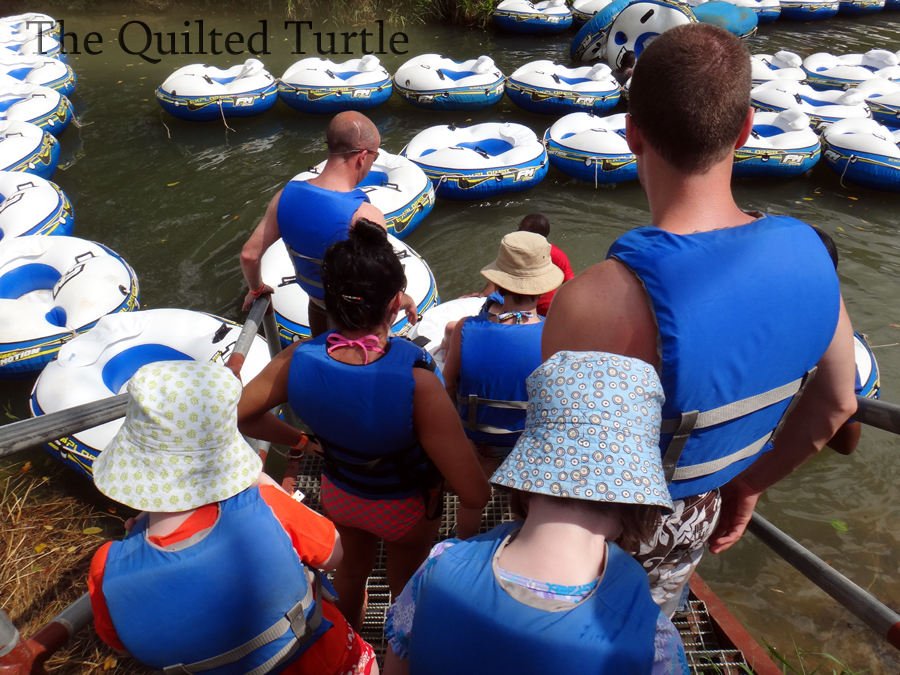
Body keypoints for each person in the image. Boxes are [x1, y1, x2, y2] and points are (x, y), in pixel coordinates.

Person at [541, 23, 857, 616]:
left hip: (599, 540)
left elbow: (567, 486)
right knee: (651, 623)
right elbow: (838, 404)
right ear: (745, 129)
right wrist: (747, 482)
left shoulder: (594, 301)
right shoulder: (814, 257)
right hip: (696, 512)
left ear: (631, 133)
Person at [238, 220, 491, 630]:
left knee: (352, 573)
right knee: (404, 582)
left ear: (327, 300)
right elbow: (476, 493)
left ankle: (353, 645)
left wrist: (299, 440)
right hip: (406, 511)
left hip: (342, 496)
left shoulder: (297, 358)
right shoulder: (418, 382)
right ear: (395, 304)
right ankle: (399, 647)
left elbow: (241, 414)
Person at [383, 351, 690, 675]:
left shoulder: (438, 567)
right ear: (638, 498)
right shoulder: (650, 634)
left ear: (529, 472)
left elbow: (397, 664)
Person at [88, 361, 378, 675]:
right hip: (333, 664)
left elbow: (122, 644)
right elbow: (334, 554)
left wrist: (137, 541)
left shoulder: (106, 567)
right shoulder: (265, 505)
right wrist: (262, 483)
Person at [239, 110, 415, 337]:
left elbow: (249, 256)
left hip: (317, 310)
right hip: (359, 323)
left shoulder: (285, 195)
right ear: (362, 156)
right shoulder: (365, 215)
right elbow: (382, 289)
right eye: (375, 156)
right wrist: (407, 300)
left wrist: (257, 289)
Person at [442, 231, 563, 534]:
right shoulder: (554, 335)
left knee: (472, 497)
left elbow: (448, 386)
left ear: (499, 283)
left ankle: (464, 544)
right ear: (542, 288)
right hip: (526, 441)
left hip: (480, 440)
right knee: (524, 497)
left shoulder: (466, 329)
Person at [473, 214, 574, 317]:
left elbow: (570, 283)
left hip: (543, 308)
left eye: (521, 229)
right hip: (519, 302)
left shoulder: (555, 254)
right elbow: (503, 273)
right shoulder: (517, 250)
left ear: (533, 236)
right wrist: (482, 295)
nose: (517, 231)